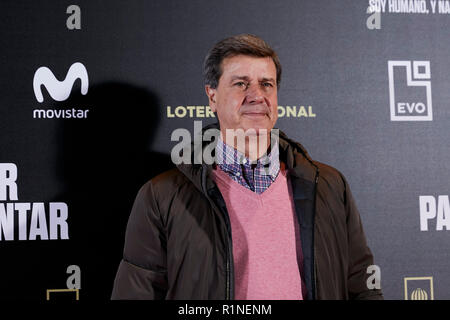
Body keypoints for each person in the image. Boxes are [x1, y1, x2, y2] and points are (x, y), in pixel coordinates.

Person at [111, 34, 383, 300]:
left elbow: (361, 284)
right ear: (212, 96)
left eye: (267, 84)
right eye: (241, 84)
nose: (257, 96)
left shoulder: (330, 186)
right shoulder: (161, 196)